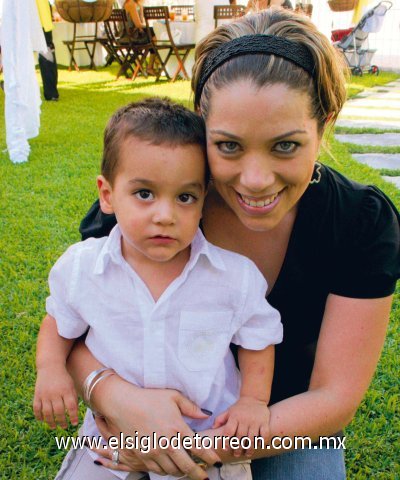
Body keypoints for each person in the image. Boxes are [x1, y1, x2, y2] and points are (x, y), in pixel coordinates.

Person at [48, 7, 399, 480]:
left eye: (286, 145)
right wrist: (115, 397)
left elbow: (334, 399)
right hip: (140, 414)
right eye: (229, 145)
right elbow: (76, 320)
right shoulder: (156, 205)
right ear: (202, 124)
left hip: (283, 421)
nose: (255, 181)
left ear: (325, 124)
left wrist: (187, 450)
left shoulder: (359, 222)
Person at [34, 98, 283, 480]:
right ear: (107, 194)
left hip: (203, 441)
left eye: (185, 197)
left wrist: (252, 400)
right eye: (145, 194)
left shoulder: (233, 276)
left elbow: (257, 338)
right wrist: (50, 369)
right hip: (112, 438)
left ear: (203, 201)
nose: (165, 215)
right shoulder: (82, 267)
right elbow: (59, 322)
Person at [124, 0, 157, 76]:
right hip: (130, 36)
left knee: (154, 35)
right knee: (155, 37)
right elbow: (138, 24)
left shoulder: (138, 4)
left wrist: (141, 8)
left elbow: (141, 22)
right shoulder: (131, 3)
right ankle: (150, 67)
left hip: (134, 33)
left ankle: (149, 66)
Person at [36, 0, 59, 101]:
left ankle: (51, 92)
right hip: (41, 17)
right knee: (47, 51)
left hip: (40, 17)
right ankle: (51, 93)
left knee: (46, 51)